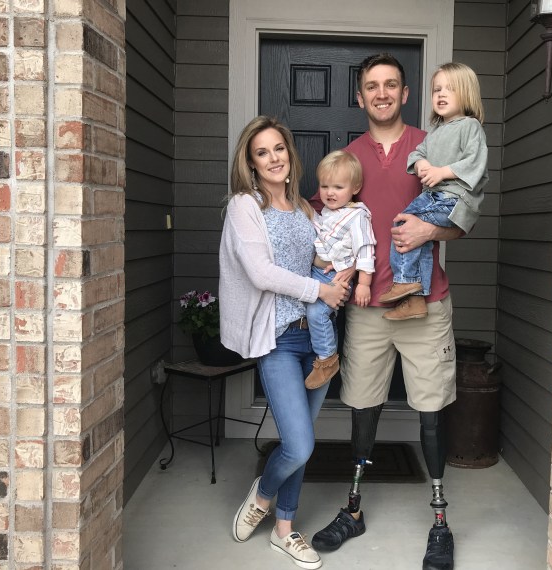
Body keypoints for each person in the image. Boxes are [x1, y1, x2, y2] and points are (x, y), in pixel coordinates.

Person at [310, 54, 478, 570]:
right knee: (363, 406)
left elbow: (464, 208)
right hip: (367, 309)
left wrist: (433, 231)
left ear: (406, 94)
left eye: (391, 85)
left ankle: (440, 520)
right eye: (371, 87)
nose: (381, 93)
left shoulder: (433, 145)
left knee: (431, 408)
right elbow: (321, 226)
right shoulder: (347, 159)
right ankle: (354, 508)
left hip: (424, 303)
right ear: (359, 98)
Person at [219, 115, 349, 570]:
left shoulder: (309, 210)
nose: (273, 158)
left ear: (290, 156)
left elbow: (328, 259)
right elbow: (260, 273)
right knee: (299, 444)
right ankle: (262, 495)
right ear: (251, 164)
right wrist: (321, 290)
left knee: (304, 438)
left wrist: (345, 273)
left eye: (279, 149)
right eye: (262, 152)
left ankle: (284, 531)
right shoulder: (244, 206)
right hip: (276, 339)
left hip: (317, 341)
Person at [378, 62, 488, 321]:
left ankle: (405, 281)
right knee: (418, 236)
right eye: (436, 89)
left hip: (453, 199)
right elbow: (418, 153)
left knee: (403, 224)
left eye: (450, 89)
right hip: (435, 197)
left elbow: (476, 161)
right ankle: (416, 300)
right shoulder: (437, 131)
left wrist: (441, 172)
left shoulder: (470, 126)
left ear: (467, 94)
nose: (441, 94)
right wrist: (422, 163)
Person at [304, 150, 376, 390]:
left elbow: (365, 249)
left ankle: (327, 359)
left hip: (338, 277)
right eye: (324, 186)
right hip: (319, 272)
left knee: (316, 313)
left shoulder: (357, 217)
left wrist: (364, 283)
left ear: (355, 187)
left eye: (337, 187)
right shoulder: (328, 212)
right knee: (314, 311)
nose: (330, 193)